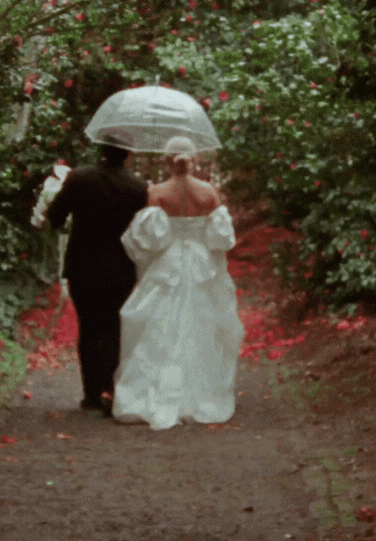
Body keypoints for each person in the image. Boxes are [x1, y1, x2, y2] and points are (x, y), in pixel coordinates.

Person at [112, 136, 245, 430]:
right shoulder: (208, 191)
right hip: (201, 266)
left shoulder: (157, 192)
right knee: (203, 325)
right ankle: (201, 392)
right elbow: (219, 239)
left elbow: (154, 240)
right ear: (193, 159)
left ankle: (152, 391)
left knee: (158, 326)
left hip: (169, 264)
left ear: (167, 161)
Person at [47, 142, 148, 415]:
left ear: (102, 151)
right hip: (121, 267)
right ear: (128, 153)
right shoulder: (138, 187)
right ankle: (111, 390)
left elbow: (56, 216)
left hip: (83, 265)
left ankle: (91, 394)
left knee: (89, 327)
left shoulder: (79, 178)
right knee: (115, 327)